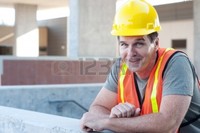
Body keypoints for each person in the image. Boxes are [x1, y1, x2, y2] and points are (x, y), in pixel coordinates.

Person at [80, 0, 200, 132]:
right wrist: (115, 117)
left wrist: (110, 121)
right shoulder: (121, 67)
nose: (131, 53)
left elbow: (168, 125)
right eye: (124, 44)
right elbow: (97, 108)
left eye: (139, 44)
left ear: (156, 43)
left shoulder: (176, 63)